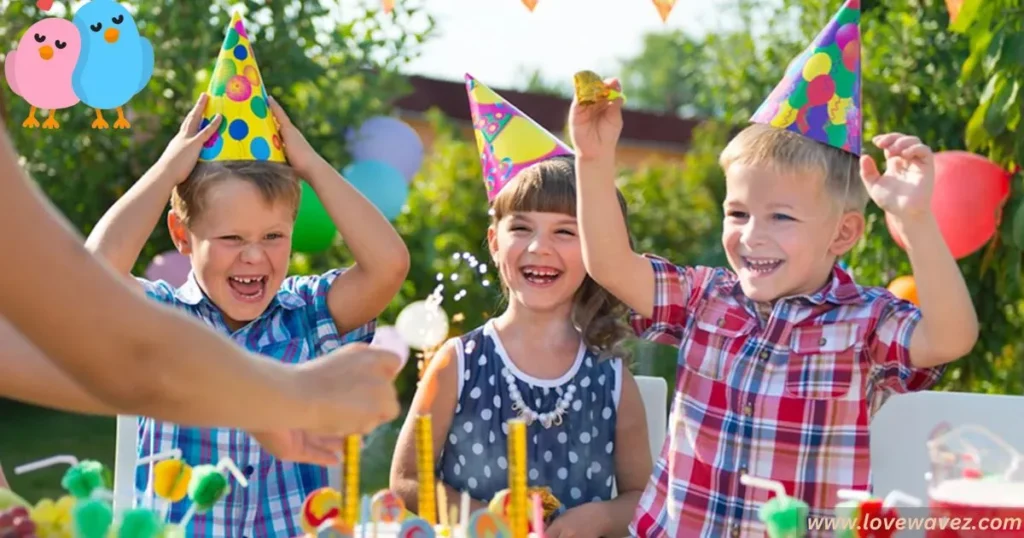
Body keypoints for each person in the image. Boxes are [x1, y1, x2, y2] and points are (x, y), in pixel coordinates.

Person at [570, 3, 978, 536]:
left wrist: (916, 217)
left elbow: (951, 336)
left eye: (781, 217)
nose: (752, 234)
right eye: (737, 213)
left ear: (843, 233)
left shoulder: (864, 321)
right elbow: (607, 263)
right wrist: (594, 161)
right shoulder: (704, 297)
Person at [0, 124, 400, 439]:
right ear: (181, 235)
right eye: (231, 238)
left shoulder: (310, 312)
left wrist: (311, 164)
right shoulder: (160, 314)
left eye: (273, 236)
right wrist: (165, 172)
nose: (254, 255)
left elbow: (388, 265)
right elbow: (92, 283)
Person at [390, 76, 652, 538]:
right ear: (494, 242)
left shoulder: (611, 379)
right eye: (522, 229)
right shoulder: (458, 364)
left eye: (565, 232)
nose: (539, 248)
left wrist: (599, 517)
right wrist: (489, 521)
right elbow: (407, 481)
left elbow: (641, 496)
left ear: (596, 248)